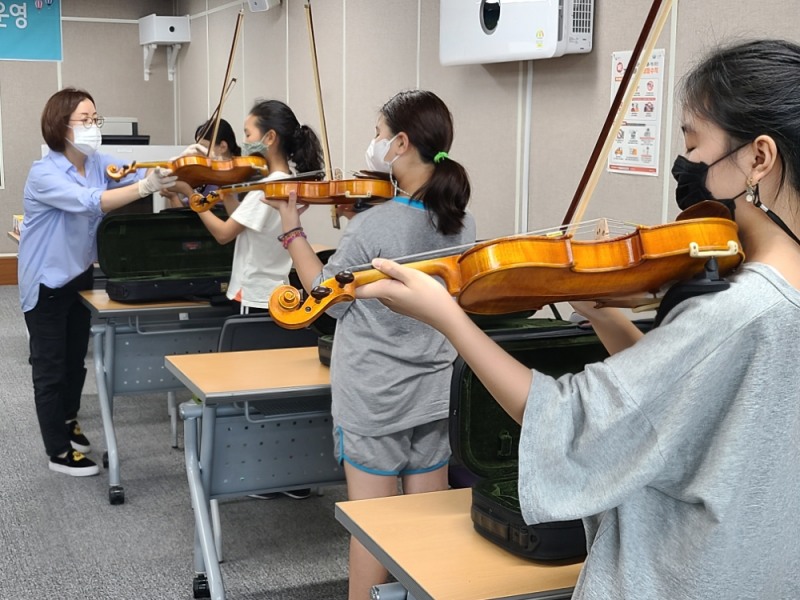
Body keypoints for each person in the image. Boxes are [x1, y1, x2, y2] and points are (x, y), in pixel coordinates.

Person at [356, 40, 800, 599]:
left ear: (759, 158)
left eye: (692, 142)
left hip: (678, 575)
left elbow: (568, 423)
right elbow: (681, 406)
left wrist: (448, 317)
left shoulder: (735, 312)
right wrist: (602, 314)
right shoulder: (773, 300)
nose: (685, 164)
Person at [265, 90, 476, 598]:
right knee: (423, 525)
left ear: (401, 143)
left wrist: (293, 229)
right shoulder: (460, 218)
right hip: (433, 389)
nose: (374, 144)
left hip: (376, 396)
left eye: (380, 134)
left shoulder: (374, 225)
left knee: (373, 528)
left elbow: (329, 300)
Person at [19, 87, 177, 476]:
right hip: (46, 282)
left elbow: (134, 169)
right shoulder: (45, 173)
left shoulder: (97, 162)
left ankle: (68, 420)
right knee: (51, 367)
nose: (93, 127)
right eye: (84, 120)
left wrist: (174, 170)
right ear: (61, 125)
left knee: (75, 361)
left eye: (95, 119)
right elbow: (90, 200)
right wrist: (144, 188)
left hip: (80, 275)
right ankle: (57, 451)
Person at [194, 100, 323, 315]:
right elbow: (242, 220)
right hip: (271, 293)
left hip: (254, 294)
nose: (245, 142)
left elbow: (224, 234)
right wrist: (224, 188)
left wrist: (193, 199)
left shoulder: (269, 186)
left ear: (270, 137)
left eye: (248, 134)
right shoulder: (283, 181)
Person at [162, 118, 242, 209]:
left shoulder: (233, 178)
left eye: (203, 147)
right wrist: (173, 196)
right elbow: (185, 213)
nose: (198, 153)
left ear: (223, 147)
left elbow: (207, 217)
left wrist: (188, 191)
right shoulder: (205, 173)